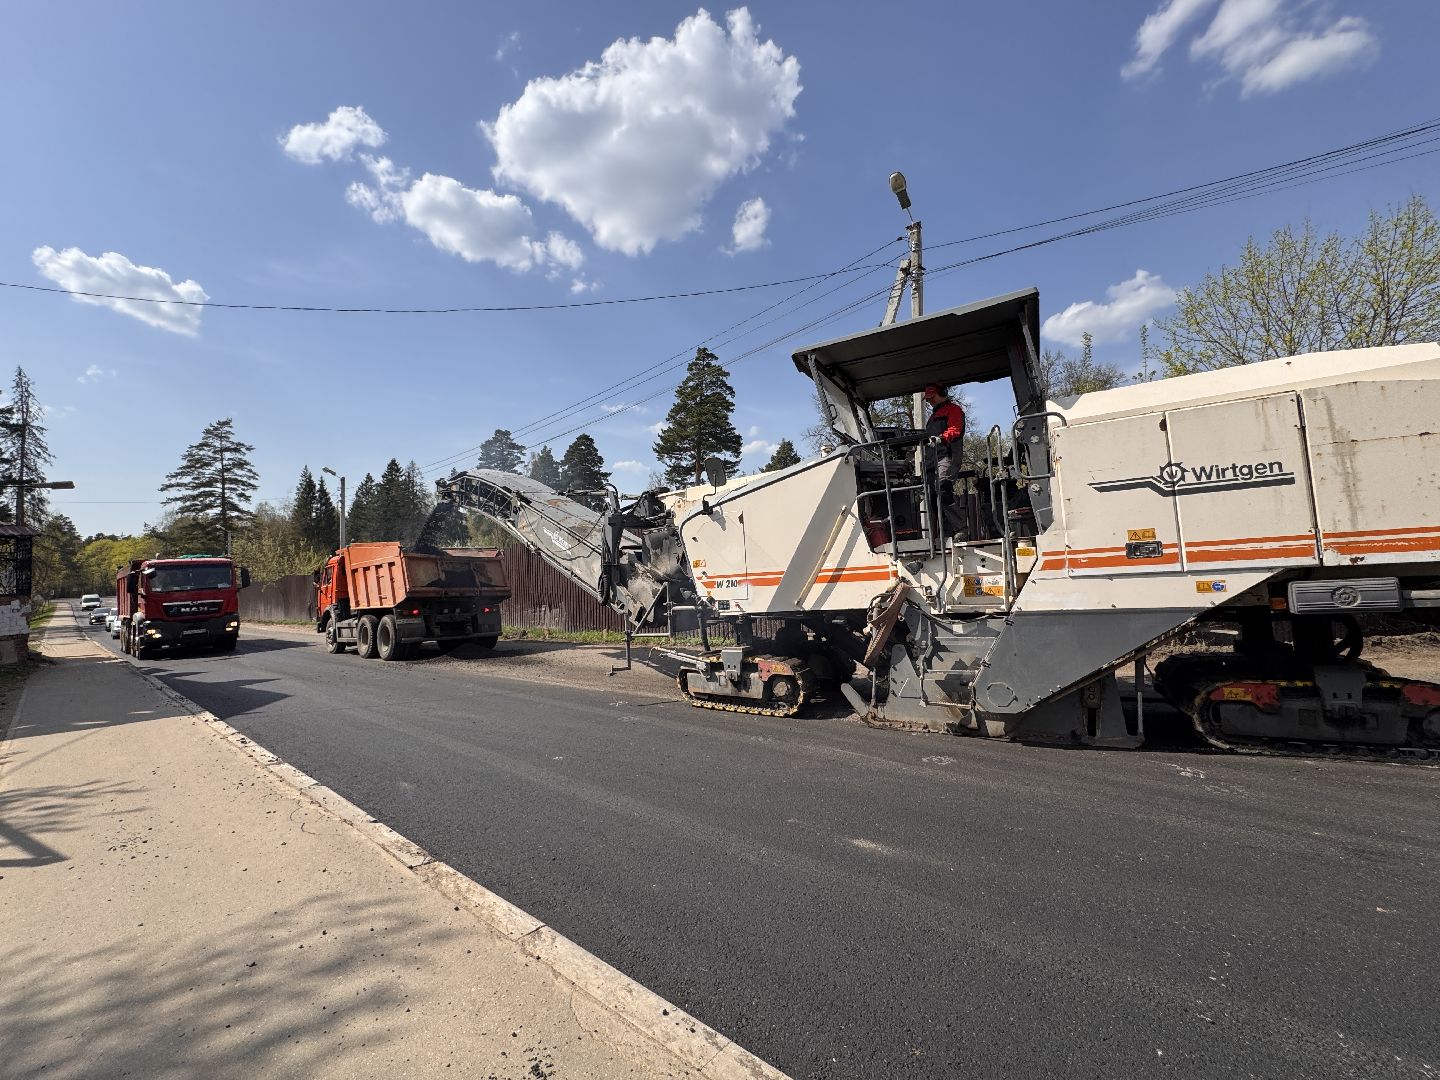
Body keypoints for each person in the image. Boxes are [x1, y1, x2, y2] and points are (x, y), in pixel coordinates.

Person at [921, 382, 968, 537]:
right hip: (930, 461)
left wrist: (941, 438)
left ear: (942, 393)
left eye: (931, 397)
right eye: (927, 399)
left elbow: (955, 429)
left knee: (942, 489)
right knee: (931, 495)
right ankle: (942, 534)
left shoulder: (954, 410)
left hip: (947, 456)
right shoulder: (932, 417)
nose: (929, 401)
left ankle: (961, 528)